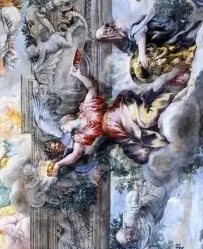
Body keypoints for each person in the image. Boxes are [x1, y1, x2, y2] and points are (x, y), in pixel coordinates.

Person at [48, 60, 185, 175]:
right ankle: (175, 137)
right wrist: (59, 164)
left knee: (146, 119)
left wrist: (79, 75)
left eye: (64, 126)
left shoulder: (86, 109)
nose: (65, 130)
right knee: (142, 153)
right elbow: (75, 155)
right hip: (116, 132)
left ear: (69, 119)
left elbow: (92, 87)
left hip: (117, 113)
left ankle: (174, 92)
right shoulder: (80, 137)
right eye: (64, 130)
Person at [95, 12, 200, 85]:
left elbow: (139, 32)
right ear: (105, 39)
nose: (108, 29)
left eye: (106, 27)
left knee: (184, 36)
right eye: (105, 32)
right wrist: (139, 61)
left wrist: (142, 54)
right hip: (153, 44)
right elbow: (133, 50)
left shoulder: (120, 23)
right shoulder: (119, 44)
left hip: (157, 28)